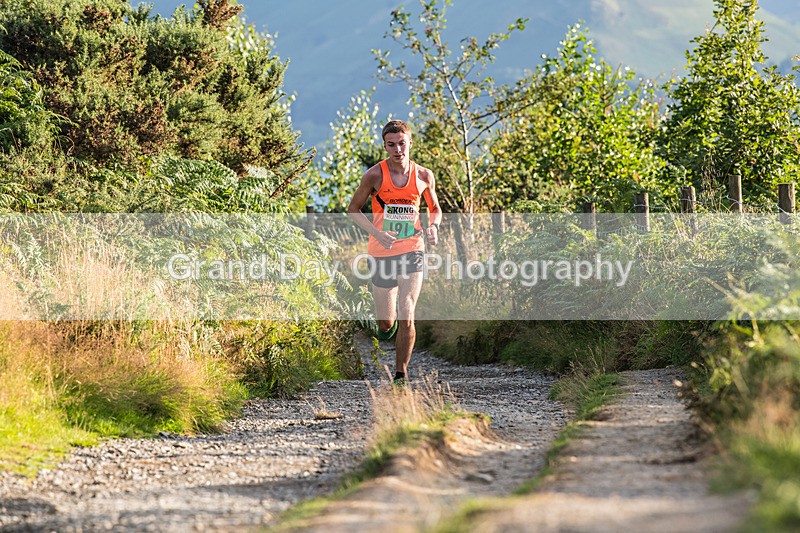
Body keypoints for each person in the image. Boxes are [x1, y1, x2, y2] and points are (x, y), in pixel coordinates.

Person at [347, 120, 442, 386]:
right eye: (392, 145)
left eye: (402, 143)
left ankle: (401, 375)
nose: (398, 149)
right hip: (382, 252)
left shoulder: (424, 176)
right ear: (385, 145)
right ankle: (389, 330)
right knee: (387, 323)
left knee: (407, 312)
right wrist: (377, 233)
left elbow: (435, 209)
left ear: (410, 142)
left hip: (413, 249)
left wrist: (433, 227)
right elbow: (353, 209)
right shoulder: (375, 175)